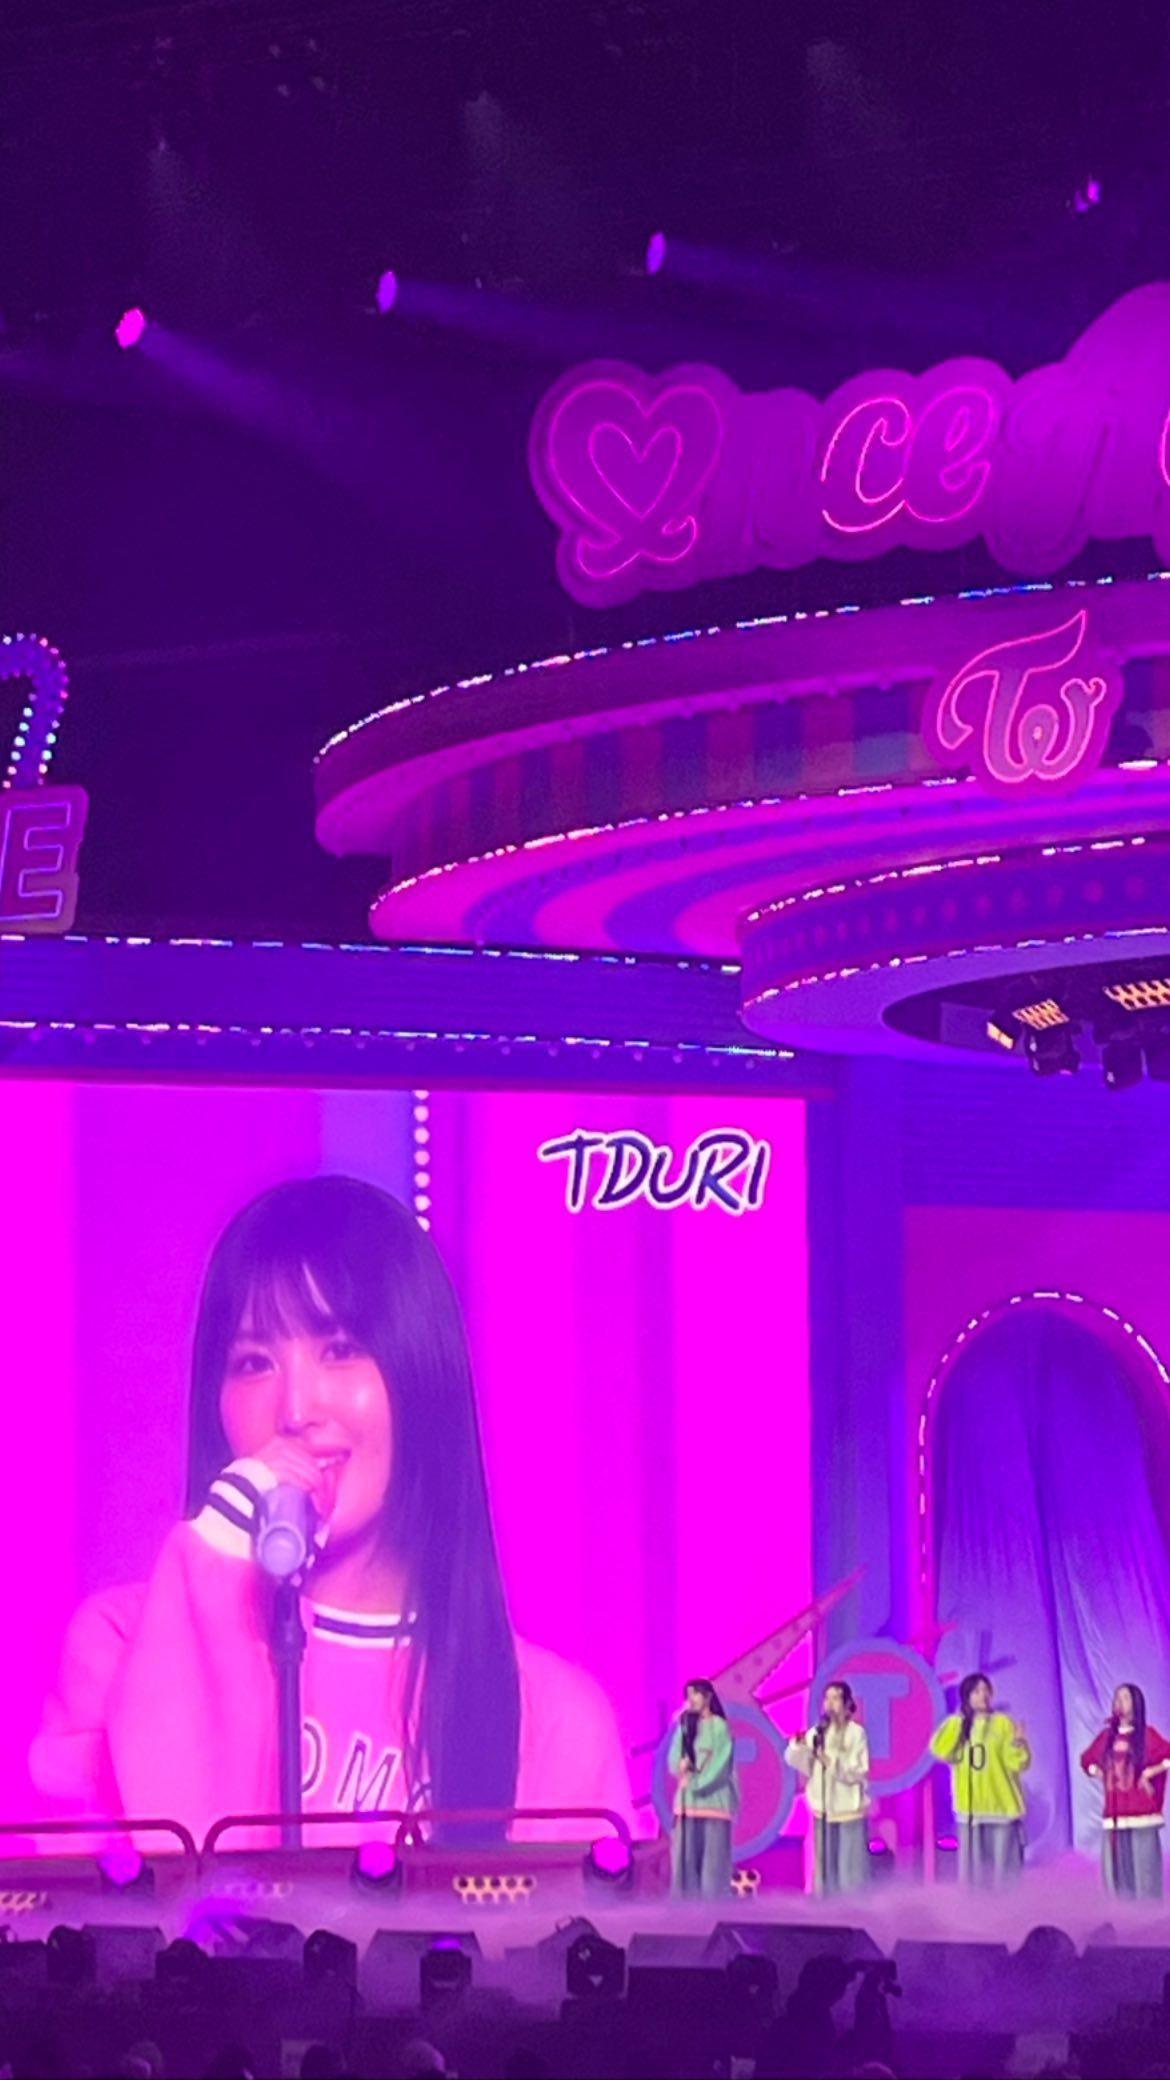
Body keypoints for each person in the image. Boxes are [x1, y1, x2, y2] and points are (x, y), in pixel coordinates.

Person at [31, 1177, 633, 1846]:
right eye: (254, 1363)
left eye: (340, 1350)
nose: (295, 1411)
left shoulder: (552, 1719)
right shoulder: (121, 1645)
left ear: (419, 1375)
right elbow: (157, 1875)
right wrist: (217, 1553)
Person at [930, 1672, 1029, 1885]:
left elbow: (1017, 1764)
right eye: (976, 1691)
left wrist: (1019, 1744)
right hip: (971, 1811)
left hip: (1001, 1808)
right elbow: (941, 1751)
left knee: (1004, 1873)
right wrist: (959, 1722)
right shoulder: (957, 1725)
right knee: (974, 1874)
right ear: (967, 1696)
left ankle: (1008, 1904)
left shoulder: (1003, 1723)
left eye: (986, 1690)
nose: (983, 1695)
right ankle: (975, 1904)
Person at [1081, 1682, 1170, 1900]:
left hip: (1142, 1815)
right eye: (1117, 1697)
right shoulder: (1106, 1737)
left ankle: (1148, 1915)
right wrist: (1097, 1771)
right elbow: (1086, 1760)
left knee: (1145, 1872)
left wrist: (1150, 1772)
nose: (1119, 1701)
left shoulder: (1147, 1735)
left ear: (1136, 1704)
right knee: (1118, 1874)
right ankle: (1123, 1913)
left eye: (1125, 1697)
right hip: (1115, 1816)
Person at [786, 1681, 871, 1895]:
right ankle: (823, 1904)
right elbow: (800, 1763)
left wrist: (831, 1762)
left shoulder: (856, 1733)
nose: (830, 1703)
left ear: (847, 1703)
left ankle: (852, 1907)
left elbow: (858, 1771)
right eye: (827, 1698)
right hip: (822, 1807)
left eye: (835, 1698)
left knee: (850, 1870)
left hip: (849, 1809)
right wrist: (797, 1746)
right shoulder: (818, 1732)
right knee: (824, 1867)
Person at [668, 1678, 738, 1898]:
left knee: (712, 1860)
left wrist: (697, 1784)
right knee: (685, 1857)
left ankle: (712, 1904)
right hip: (688, 1803)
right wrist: (679, 1767)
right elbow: (674, 1757)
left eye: (695, 1694)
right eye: (688, 1695)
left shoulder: (719, 1726)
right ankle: (684, 1904)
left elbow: (721, 1763)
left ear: (708, 1696)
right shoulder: (685, 1726)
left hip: (713, 1802)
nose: (691, 1700)